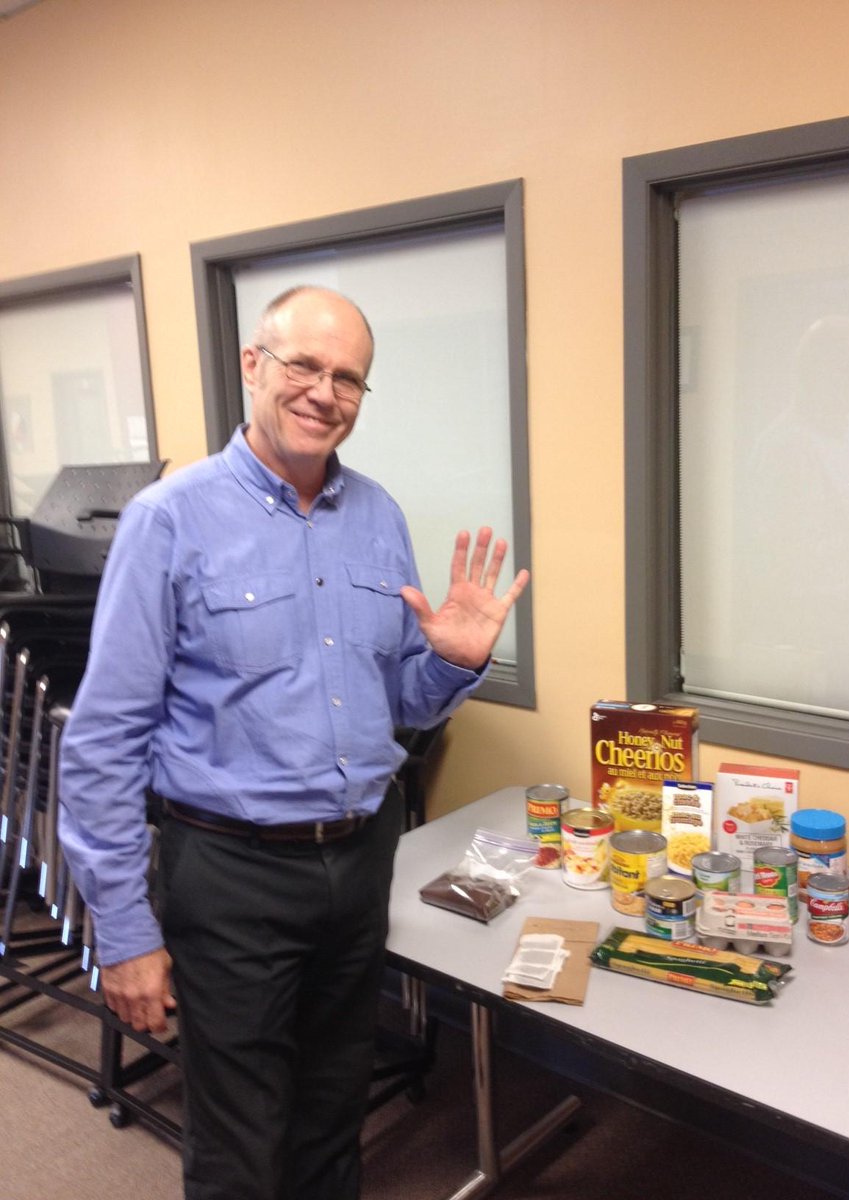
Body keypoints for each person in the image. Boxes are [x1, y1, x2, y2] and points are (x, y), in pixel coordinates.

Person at [58, 285, 529, 1200]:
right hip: (230, 874)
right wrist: (123, 933)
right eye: (303, 366)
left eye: (348, 377)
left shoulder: (378, 516)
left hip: (358, 864)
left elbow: (395, 702)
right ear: (253, 366)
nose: (325, 392)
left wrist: (452, 664)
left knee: (331, 1120)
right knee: (241, 1146)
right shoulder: (171, 520)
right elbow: (104, 741)